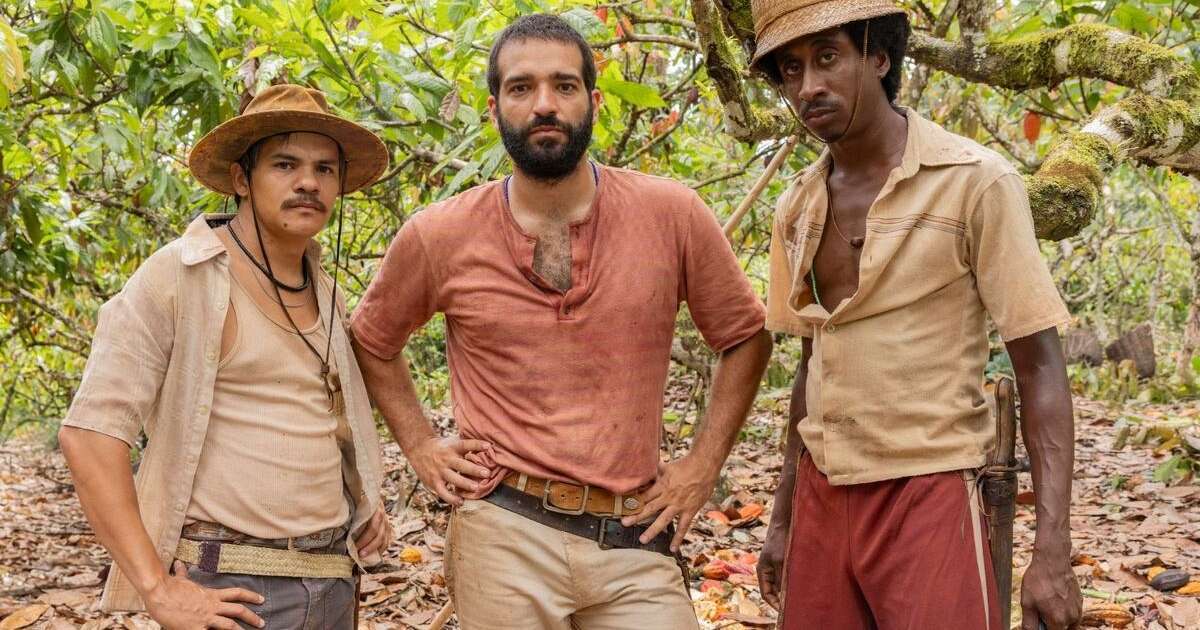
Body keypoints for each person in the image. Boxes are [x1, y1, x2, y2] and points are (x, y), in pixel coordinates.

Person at [350, 13, 772, 630]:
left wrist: (701, 466)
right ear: (493, 109)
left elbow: (745, 337)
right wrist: (420, 446)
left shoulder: (672, 214)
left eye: (564, 86)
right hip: (504, 526)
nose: (544, 104)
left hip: (632, 533)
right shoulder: (439, 234)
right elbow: (371, 339)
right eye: (521, 88)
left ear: (594, 101)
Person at [748, 1, 1084, 629]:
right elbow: (810, 370)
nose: (808, 86)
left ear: (878, 57)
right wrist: (784, 518)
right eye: (790, 70)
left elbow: (1039, 367)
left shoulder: (975, 182)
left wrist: (1053, 550)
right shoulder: (795, 207)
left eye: (828, 58)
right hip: (824, 492)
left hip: (928, 491)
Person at [59, 83, 393, 629]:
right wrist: (156, 587)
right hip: (232, 588)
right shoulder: (179, 277)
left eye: (325, 169)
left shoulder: (327, 291)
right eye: (285, 164)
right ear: (242, 178)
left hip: (334, 578)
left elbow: (318, 415)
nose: (308, 182)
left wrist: (362, 502)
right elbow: (90, 433)